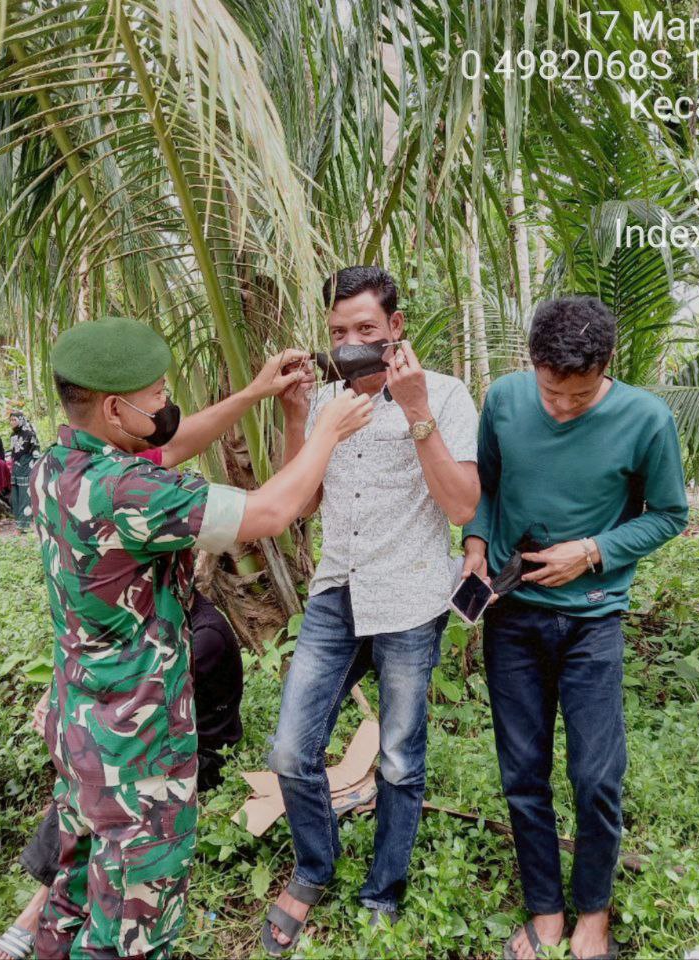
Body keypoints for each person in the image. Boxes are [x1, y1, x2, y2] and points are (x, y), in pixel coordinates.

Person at [31, 316, 372, 959]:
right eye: (156, 395)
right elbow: (272, 513)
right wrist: (324, 429)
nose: (166, 404)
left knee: (76, 893)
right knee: (134, 923)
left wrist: (253, 395)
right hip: (137, 746)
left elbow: (174, 444)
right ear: (113, 407)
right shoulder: (128, 490)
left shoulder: (62, 464)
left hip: (84, 726)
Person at [462, 296, 689, 960]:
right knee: (522, 771)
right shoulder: (504, 399)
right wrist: (476, 546)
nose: (560, 407)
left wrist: (592, 551)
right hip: (512, 617)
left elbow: (669, 514)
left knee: (596, 775)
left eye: (578, 396)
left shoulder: (646, 419)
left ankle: (593, 912)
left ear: (606, 367)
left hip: (594, 621)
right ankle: (546, 909)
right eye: (550, 391)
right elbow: (488, 485)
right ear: (532, 366)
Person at [263, 265, 481, 952]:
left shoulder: (444, 395)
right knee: (292, 751)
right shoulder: (328, 398)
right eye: (337, 332)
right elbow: (298, 501)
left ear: (395, 328)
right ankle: (315, 866)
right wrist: (300, 416)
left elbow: (463, 507)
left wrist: (414, 410)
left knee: (398, 760)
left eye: (365, 328)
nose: (351, 341)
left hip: (411, 599)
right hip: (336, 593)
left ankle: (383, 889)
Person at [0, 592, 244, 960]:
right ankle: (54, 906)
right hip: (158, 742)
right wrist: (54, 699)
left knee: (100, 783)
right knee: (85, 782)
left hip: (200, 754)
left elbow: (129, 709)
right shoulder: (149, 619)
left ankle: (43, 911)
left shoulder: (202, 636)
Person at [8, 411, 41, 533]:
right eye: (10, 420)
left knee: (24, 496)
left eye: (14, 420)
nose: (12, 422)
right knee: (15, 497)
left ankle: (23, 526)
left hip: (26, 467)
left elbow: (36, 451)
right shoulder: (13, 435)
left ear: (21, 420)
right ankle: (19, 524)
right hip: (16, 468)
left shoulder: (29, 433)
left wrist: (33, 467)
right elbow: (14, 452)